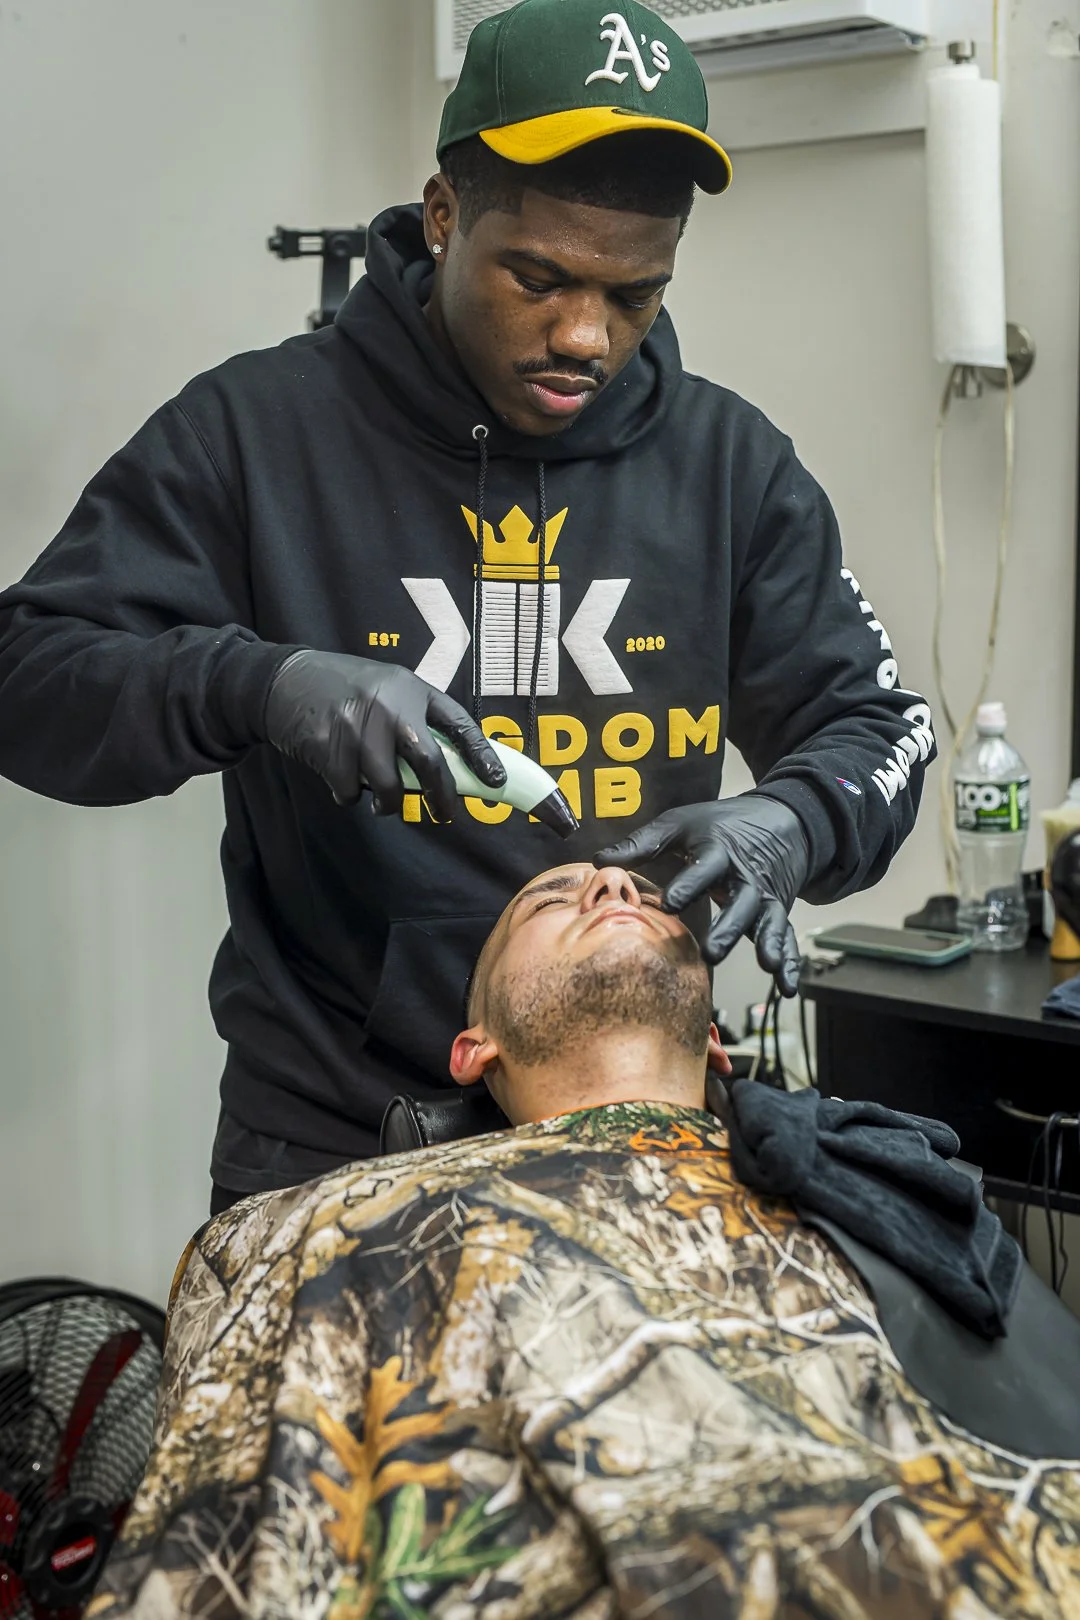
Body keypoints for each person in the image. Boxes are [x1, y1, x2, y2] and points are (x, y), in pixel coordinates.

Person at [0, 0, 936, 1212]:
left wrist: (797, 820)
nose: (585, 336)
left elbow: (881, 728)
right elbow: (28, 676)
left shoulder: (729, 468)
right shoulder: (258, 434)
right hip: (334, 1136)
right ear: (444, 217)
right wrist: (259, 685)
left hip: (636, 1130)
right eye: (537, 278)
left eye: (634, 294)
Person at [90, 861, 1080, 1620]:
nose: (610, 882)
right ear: (474, 1048)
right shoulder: (319, 1223)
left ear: (716, 1042)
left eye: (648, 894)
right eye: (551, 901)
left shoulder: (853, 1192)